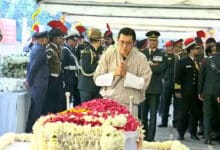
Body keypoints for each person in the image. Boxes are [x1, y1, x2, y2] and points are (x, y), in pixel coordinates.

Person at [93, 27, 152, 117]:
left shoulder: (141, 58)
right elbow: (97, 79)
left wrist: (126, 75)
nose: (125, 46)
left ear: (134, 43)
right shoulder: (108, 54)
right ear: (117, 40)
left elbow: (144, 83)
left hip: (131, 104)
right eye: (122, 42)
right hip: (109, 102)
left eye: (128, 43)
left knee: (130, 130)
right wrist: (114, 73)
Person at [140, 31, 166, 141]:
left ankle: (151, 137)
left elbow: (160, 69)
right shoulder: (142, 54)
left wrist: (148, 67)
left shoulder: (162, 54)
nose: (153, 42)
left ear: (157, 42)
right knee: (143, 114)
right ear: (148, 41)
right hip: (143, 88)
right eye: (151, 40)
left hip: (155, 89)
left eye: (155, 40)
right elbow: (139, 69)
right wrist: (151, 67)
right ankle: (143, 135)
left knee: (153, 115)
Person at [175, 37, 202, 140]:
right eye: (196, 48)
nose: (198, 50)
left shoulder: (199, 62)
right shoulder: (182, 62)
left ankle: (193, 133)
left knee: (195, 113)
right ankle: (181, 133)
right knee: (183, 113)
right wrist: (177, 90)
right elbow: (177, 78)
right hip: (185, 92)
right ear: (190, 49)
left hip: (196, 93)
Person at [25, 31, 49, 132]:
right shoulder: (40, 50)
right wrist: (28, 80)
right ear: (42, 39)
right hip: (39, 83)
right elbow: (34, 67)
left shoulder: (36, 48)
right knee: (37, 109)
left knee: (36, 107)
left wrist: (28, 79)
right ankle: (32, 129)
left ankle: (31, 128)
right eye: (47, 39)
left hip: (37, 83)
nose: (48, 40)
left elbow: (30, 66)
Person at [198, 42, 220, 144]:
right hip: (218, 93)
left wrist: (199, 92)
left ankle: (208, 138)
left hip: (207, 92)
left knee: (207, 115)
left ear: (215, 49)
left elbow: (201, 78)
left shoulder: (206, 60)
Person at [78, 28, 103, 102]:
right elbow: (86, 68)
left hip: (95, 85)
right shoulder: (87, 51)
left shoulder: (96, 50)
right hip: (87, 86)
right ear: (98, 40)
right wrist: (100, 65)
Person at [44, 28, 64, 114]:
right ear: (54, 38)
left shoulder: (57, 48)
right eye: (60, 38)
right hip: (51, 78)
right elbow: (45, 64)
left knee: (57, 100)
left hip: (57, 78)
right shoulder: (50, 49)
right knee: (50, 101)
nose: (62, 39)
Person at [158, 40, 176, 127]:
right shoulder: (164, 56)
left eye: (168, 46)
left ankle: (176, 121)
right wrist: (162, 78)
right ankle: (164, 121)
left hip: (176, 82)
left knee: (177, 103)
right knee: (165, 102)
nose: (167, 48)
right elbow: (161, 69)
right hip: (167, 81)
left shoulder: (177, 57)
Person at [62, 31, 81, 106]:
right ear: (68, 40)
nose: (76, 42)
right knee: (67, 98)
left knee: (74, 97)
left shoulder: (72, 50)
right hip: (67, 77)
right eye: (74, 40)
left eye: (76, 40)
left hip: (73, 77)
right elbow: (62, 66)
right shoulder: (65, 50)